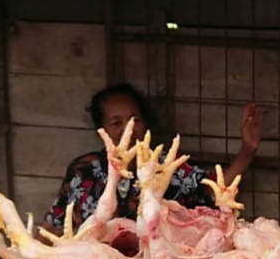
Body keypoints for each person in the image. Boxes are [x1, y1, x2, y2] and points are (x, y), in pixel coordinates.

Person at [42, 82, 262, 235]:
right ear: (101, 129)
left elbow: (215, 190)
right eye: (116, 122)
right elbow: (54, 223)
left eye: (135, 119)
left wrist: (247, 151)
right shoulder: (83, 171)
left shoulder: (167, 167)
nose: (129, 128)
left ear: (146, 123)